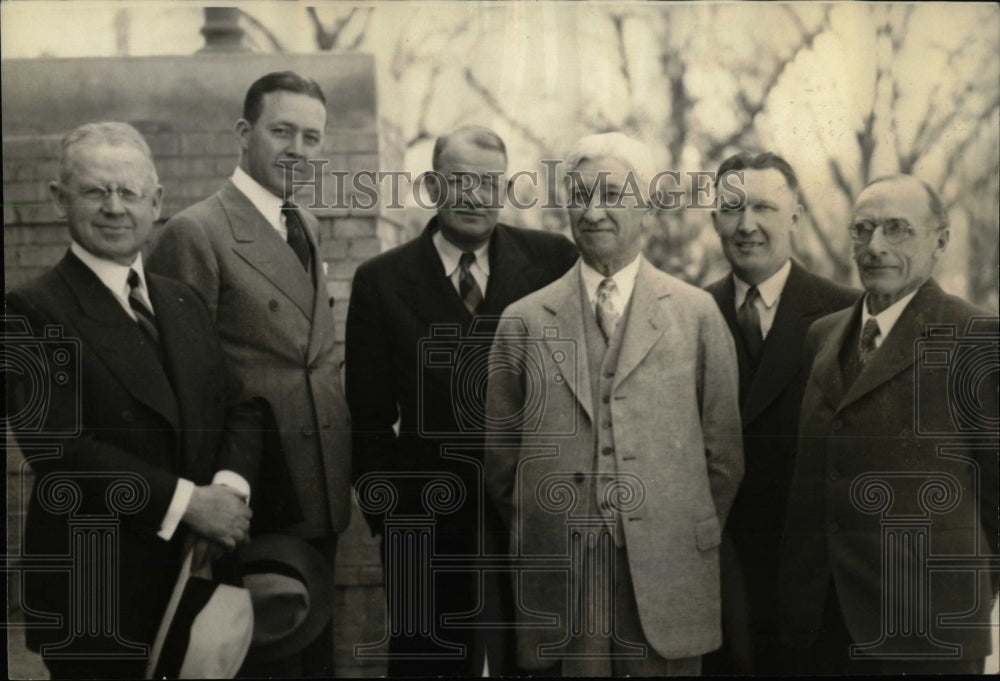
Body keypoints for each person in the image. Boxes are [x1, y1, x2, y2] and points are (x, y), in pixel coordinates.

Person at [5, 122, 260, 680]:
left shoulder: (182, 301)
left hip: (194, 576)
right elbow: (59, 448)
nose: (115, 208)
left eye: (129, 192)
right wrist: (189, 504)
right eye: (96, 191)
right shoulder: (30, 310)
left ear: (157, 202)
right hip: (97, 591)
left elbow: (239, 406)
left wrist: (229, 492)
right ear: (58, 199)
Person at [484, 132, 743, 676]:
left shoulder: (696, 316)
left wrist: (666, 525)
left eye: (612, 194)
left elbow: (723, 456)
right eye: (579, 196)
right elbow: (503, 462)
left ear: (645, 205)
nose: (594, 211)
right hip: (564, 577)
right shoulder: (525, 321)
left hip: (668, 572)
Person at [345, 125, 578, 676]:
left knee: (535, 661)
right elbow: (368, 418)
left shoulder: (551, 261)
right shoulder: (381, 280)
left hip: (530, 514)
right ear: (431, 185)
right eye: (460, 180)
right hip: (426, 521)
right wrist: (392, 519)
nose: (476, 196)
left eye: (490, 183)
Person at [146, 71, 350, 676]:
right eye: (282, 131)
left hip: (318, 489)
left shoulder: (304, 224)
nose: (298, 150)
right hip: (251, 497)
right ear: (244, 132)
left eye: (312, 137)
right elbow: (179, 384)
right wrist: (208, 501)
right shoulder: (197, 231)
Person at [779, 174, 999, 674]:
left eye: (897, 229)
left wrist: (954, 594)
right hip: (821, 624)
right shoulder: (823, 336)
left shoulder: (977, 336)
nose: (875, 247)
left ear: (940, 240)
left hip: (924, 632)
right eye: (863, 230)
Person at [702, 152, 858, 674]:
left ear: (794, 215)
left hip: (812, 594)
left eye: (765, 208)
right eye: (732, 209)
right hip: (715, 581)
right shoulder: (686, 315)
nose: (747, 225)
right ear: (714, 219)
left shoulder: (845, 314)